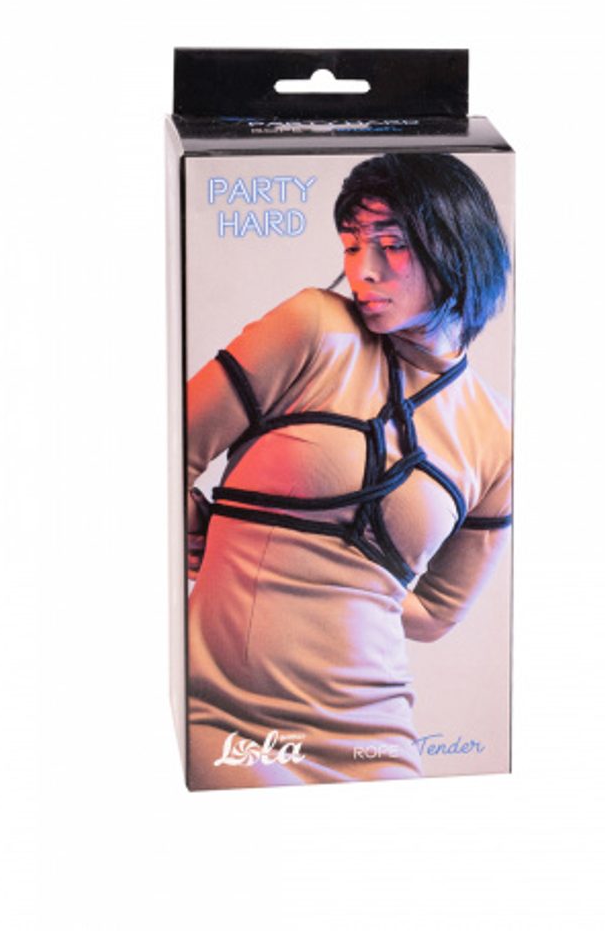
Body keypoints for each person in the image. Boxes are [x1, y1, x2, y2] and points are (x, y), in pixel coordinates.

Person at [185, 153, 512, 789]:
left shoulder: (497, 438)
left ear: (459, 246)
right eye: (352, 243)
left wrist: (351, 588)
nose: (364, 270)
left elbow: (436, 611)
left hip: (376, 737)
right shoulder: (315, 328)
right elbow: (165, 454)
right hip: (229, 716)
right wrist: (209, 531)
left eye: (392, 244)